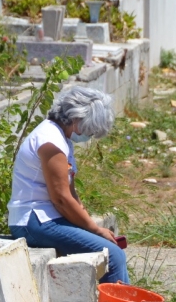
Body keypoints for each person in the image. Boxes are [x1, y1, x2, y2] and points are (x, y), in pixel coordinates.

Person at [8, 86, 129, 284]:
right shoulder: (50, 141)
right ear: (76, 118)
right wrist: (95, 229)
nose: (88, 136)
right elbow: (61, 199)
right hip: (33, 221)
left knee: (112, 250)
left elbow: (71, 194)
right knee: (113, 257)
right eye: (89, 129)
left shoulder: (60, 138)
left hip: (47, 218)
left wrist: (91, 225)